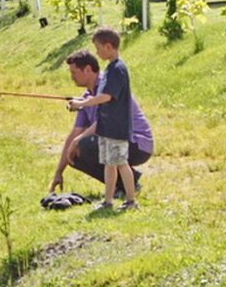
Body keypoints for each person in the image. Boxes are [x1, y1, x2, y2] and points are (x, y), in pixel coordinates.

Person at [52, 50, 153, 199]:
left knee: (83, 145)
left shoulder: (109, 87)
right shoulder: (86, 98)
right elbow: (75, 133)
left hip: (137, 144)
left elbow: (106, 120)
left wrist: (77, 141)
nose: (72, 78)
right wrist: (59, 172)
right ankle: (123, 185)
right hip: (114, 140)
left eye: (74, 73)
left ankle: (128, 188)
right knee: (72, 155)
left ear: (87, 69)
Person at [67, 28, 139, 212]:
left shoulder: (117, 69)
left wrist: (83, 103)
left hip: (117, 127)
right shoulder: (110, 69)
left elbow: (106, 96)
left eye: (98, 48)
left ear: (108, 46)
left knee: (121, 164)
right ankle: (108, 200)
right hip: (107, 128)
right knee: (109, 164)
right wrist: (81, 102)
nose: (97, 52)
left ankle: (131, 201)